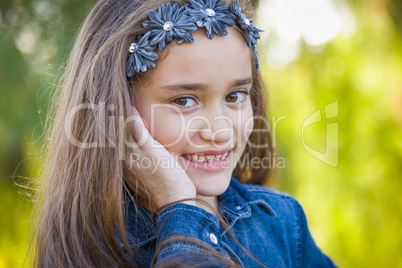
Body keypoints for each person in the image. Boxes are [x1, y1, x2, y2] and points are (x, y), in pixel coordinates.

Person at [31, 0, 338, 267]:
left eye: (235, 96)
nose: (219, 131)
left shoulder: (282, 222)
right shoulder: (84, 251)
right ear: (119, 111)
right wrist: (179, 209)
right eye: (184, 101)